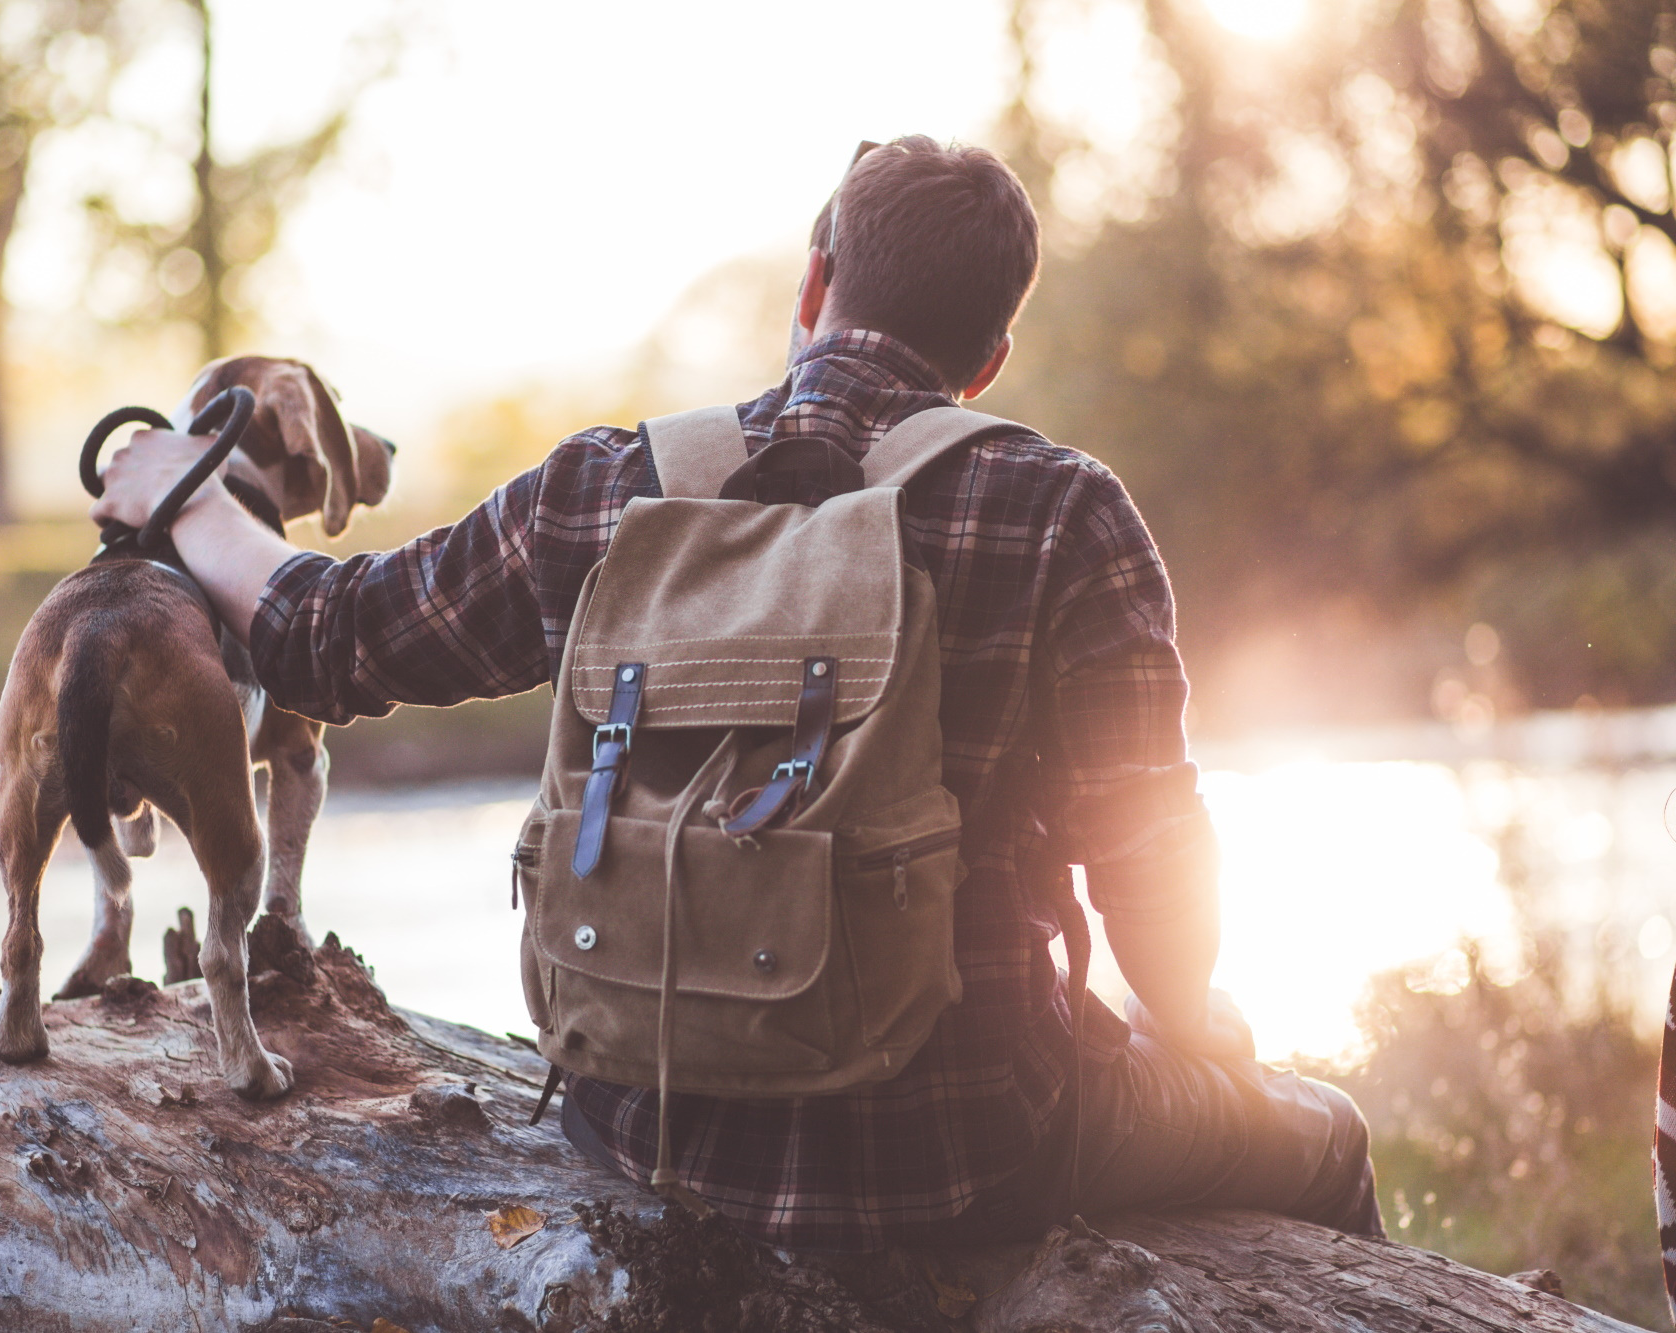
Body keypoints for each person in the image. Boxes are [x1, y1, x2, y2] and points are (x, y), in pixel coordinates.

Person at [92, 134, 1383, 1251]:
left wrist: (188, 497)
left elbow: (333, 635)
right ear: (988, 359)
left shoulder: (613, 488)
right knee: (1326, 1130)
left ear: (816, 284)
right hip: (971, 1149)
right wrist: (1196, 1026)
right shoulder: (1061, 509)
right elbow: (1148, 857)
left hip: (649, 1120)